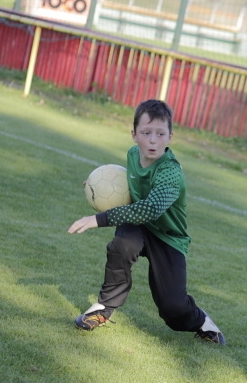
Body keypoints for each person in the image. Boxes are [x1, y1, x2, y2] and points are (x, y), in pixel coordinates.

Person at [68, 99, 225, 345]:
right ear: (134, 135)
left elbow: (150, 209)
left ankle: (202, 321)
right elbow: (128, 186)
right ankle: (103, 308)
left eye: (160, 134)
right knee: (123, 245)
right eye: (146, 133)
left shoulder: (171, 172)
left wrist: (98, 219)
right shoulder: (133, 155)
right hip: (138, 227)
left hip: (168, 237)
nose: (153, 140)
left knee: (172, 309)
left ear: (170, 136)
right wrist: (97, 187)